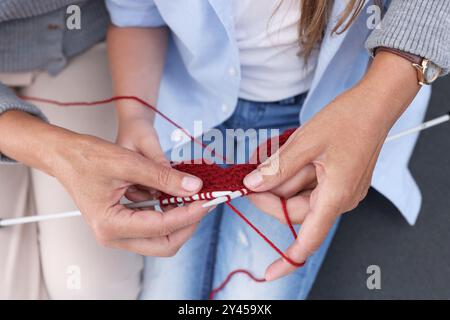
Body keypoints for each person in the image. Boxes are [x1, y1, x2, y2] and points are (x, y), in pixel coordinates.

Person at [106, 0, 450, 299]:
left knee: (254, 292)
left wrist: (372, 112)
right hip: (190, 106)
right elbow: (136, 16)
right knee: (167, 291)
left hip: (313, 118)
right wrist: (135, 117)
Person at [0, 0, 209, 299]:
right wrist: (60, 154)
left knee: (93, 290)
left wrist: (134, 118)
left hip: (87, 41)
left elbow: (138, 12)